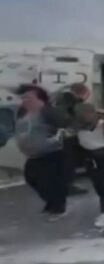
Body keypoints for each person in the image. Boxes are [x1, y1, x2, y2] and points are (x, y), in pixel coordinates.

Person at [14, 84, 71, 218]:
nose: (25, 100)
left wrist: (58, 139)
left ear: (41, 99)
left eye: (29, 98)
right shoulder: (23, 113)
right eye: (24, 98)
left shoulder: (47, 111)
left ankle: (57, 207)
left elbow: (65, 125)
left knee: (51, 182)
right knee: (31, 178)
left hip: (51, 153)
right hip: (33, 155)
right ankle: (52, 203)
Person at [73, 103, 104, 227]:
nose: (86, 116)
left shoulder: (102, 124)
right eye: (83, 114)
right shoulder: (76, 126)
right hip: (89, 157)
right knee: (97, 184)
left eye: (89, 113)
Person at [54, 82, 92, 196]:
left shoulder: (60, 98)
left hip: (59, 135)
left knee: (64, 162)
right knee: (68, 162)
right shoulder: (69, 100)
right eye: (86, 96)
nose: (86, 99)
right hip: (67, 135)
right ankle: (67, 187)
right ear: (81, 93)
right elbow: (74, 116)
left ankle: (61, 186)